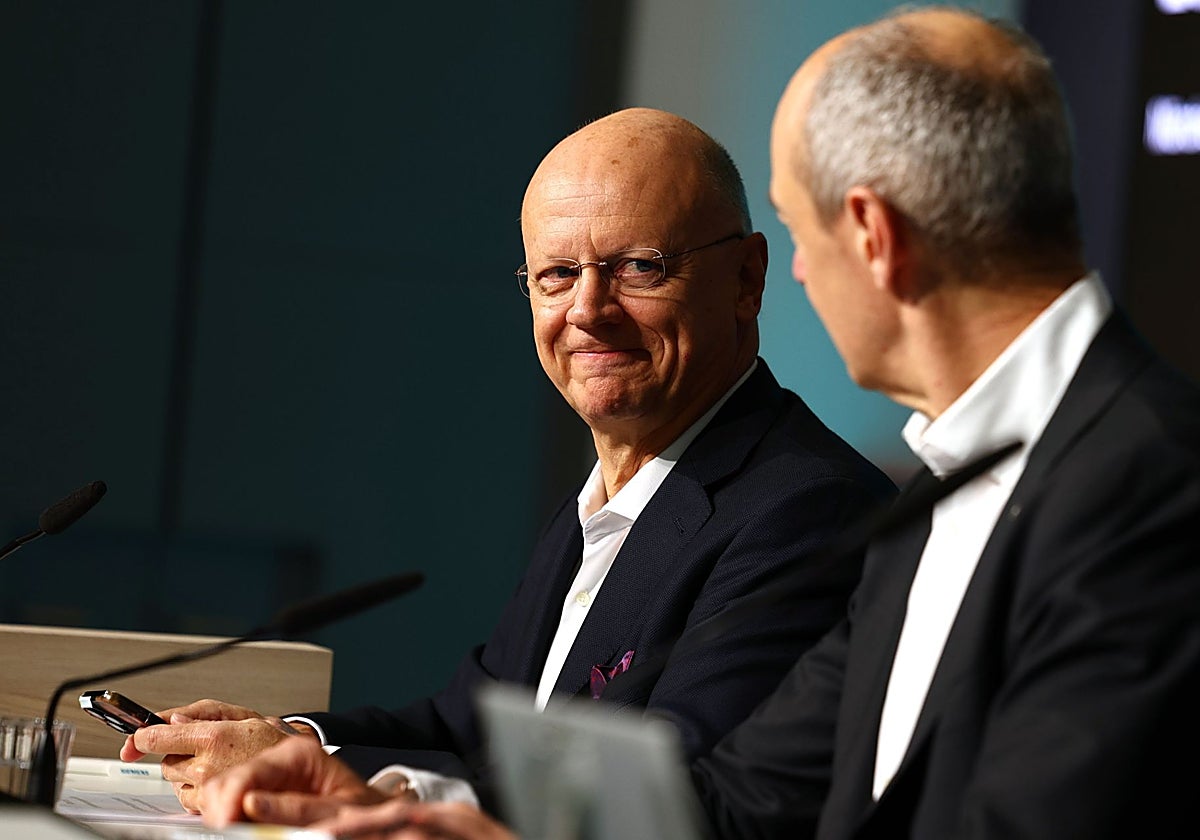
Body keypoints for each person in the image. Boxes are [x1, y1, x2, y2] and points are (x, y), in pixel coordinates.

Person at [200, 7, 1200, 839]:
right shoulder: (942, 489)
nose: (803, 276)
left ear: (873, 237)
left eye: (799, 233)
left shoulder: (1148, 483)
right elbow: (744, 802)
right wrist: (445, 818)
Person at [126, 106, 895, 816]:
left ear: (747, 280)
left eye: (639, 267)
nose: (588, 311)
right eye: (558, 275)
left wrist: (361, 789)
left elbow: (671, 800)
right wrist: (289, 740)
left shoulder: (805, 512)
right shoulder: (602, 501)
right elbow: (465, 725)